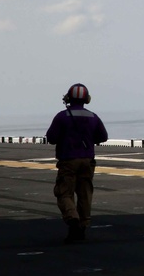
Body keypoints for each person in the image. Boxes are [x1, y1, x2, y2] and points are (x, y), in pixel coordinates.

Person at [45, 83, 108, 243]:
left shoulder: (61, 116)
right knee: (85, 194)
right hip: (87, 160)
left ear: (68, 98)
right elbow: (103, 137)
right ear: (87, 99)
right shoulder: (93, 117)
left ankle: (73, 219)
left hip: (68, 160)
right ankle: (83, 226)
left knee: (64, 192)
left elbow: (51, 138)